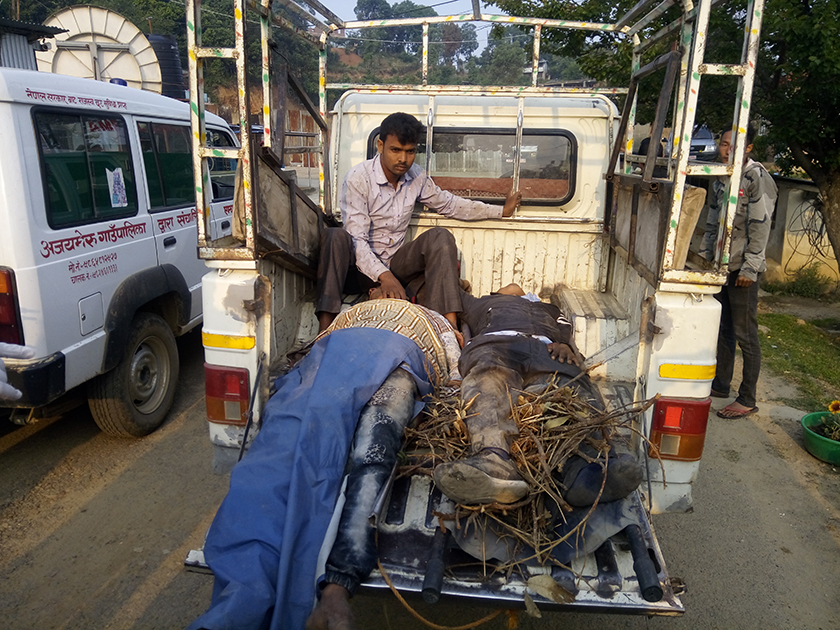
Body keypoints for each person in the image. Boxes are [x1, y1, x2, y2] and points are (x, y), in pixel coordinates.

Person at [189, 294, 461, 630]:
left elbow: (453, 371)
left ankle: (332, 583)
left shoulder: (431, 320)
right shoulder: (426, 322)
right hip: (337, 353)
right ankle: (248, 598)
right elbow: (455, 381)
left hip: (383, 357)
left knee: (367, 445)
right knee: (291, 447)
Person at [433, 284, 642, 507]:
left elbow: (566, 335)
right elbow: (442, 284)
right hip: (497, 344)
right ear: (495, 293)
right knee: (487, 380)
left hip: (548, 349)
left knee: (571, 385)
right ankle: (493, 461)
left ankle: (582, 470)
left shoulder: (551, 309)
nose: (515, 286)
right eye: (505, 287)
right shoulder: (478, 302)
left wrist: (567, 348)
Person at [316, 112, 522, 332]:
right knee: (335, 235)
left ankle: (449, 327)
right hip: (358, 271)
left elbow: (450, 204)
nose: (403, 159)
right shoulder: (359, 177)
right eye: (395, 150)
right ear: (380, 145)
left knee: (440, 236)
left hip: (395, 263)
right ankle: (323, 330)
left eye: (410, 151)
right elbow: (356, 240)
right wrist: (384, 278)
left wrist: (502, 211)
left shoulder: (416, 177)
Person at [700, 127, 778, 419]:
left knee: (746, 334)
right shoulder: (722, 175)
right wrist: (708, 259)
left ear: (748, 148)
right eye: (723, 144)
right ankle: (720, 385)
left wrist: (750, 267)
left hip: (743, 268)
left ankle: (747, 397)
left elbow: (761, 226)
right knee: (723, 330)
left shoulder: (755, 177)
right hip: (722, 266)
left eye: (734, 145)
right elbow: (712, 220)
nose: (726, 149)